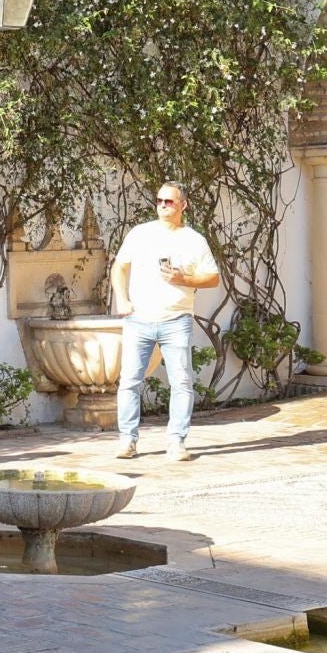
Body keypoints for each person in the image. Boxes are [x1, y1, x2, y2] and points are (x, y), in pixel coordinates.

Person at [112, 182, 219, 461]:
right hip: (139, 319)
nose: (162, 205)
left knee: (182, 381)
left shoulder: (194, 240)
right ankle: (127, 440)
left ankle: (176, 441)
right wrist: (122, 301)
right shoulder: (140, 234)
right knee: (129, 381)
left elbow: (213, 277)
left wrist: (183, 279)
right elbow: (119, 267)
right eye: (159, 200)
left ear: (183, 205)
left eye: (169, 201)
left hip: (176, 319)